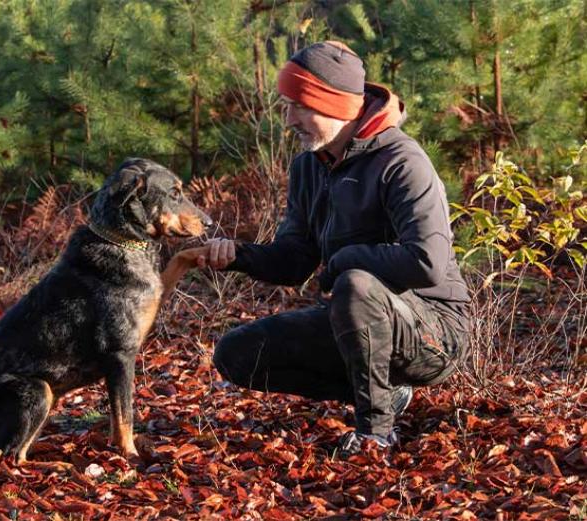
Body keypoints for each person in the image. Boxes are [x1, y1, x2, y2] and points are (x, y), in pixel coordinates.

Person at [198, 41, 470, 457]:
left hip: (436, 332)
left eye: (299, 105)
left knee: (357, 284)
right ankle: (384, 394)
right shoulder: (309, 165)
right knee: (236, 354)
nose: (288, 119)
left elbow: (428, 262)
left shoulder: (402, 162)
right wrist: (237, 254)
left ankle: (376, 434)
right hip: (360, 319)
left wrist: (345, 260)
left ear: (335, 104)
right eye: (287, 105)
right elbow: (295, 261)